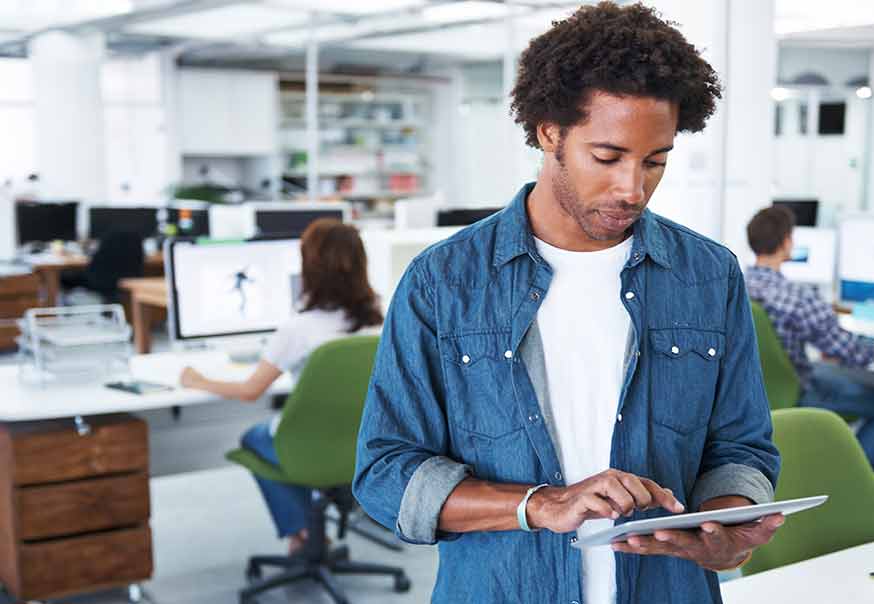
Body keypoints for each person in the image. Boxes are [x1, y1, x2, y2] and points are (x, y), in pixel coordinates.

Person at [353, 4, 782, 603]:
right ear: (549, 131)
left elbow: (741, 449)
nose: (632, 188)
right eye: (607, 157)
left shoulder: (708, 275)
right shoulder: (442, 282)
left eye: (655, 161)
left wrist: (726, 525)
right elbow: (386, 474)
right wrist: (541, 505)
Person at [180, 219, 383, 553]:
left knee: (253, 439)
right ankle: (307, 532)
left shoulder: (299, 329)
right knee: (290, 440)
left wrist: (197, 380)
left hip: (305, 448)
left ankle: (300, 531)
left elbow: (250, 392)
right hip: (361, 448)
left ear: (310, 268)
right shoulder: (379, 321)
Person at [745, 206, 874, 469]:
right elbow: (855, 353)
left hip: (756, 394)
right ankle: (851, 481)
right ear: (787, 242)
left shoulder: (737, 287)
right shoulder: (796, 298)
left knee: (870, 377)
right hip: (799, 390)